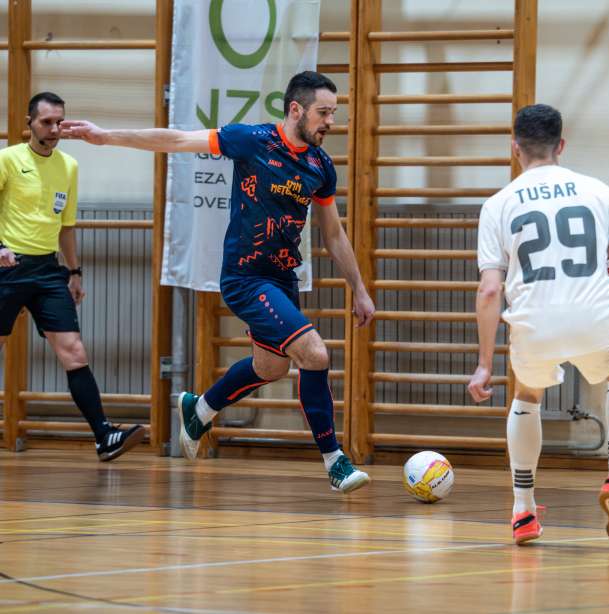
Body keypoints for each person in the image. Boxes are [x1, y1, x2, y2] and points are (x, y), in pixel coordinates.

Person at [62, 71, 375, 493]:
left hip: (282, 279)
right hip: (246, 278)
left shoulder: (320, 166)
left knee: (272, 366)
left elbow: (334, 234)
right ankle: (335, 460)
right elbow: (175, 140)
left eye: (334, 113)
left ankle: (200, 409)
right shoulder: (252, 141)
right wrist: (106, 136)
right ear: (295, 109)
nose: (330, 122)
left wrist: (358, 288)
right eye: (323, 112)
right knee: (314, 353)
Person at [468, 104, 609, 546]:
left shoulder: (499, 204)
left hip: (535, 322)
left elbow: (490, 291)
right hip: (594, 315)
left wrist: (485, 365)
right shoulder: (598, 191)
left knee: (527, 395)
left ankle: (523, 509)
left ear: (515, 148)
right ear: (561, 145)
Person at [0, 92, 146, 461]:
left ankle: (104, 437)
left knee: (74, 351)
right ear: (29, 123)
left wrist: (75, 271)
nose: (54, 129)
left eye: (59, 122)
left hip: (48, 272)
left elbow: (66, 225)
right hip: (8, 267)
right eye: (46, 122)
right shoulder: (8, 160)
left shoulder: (68, 166)